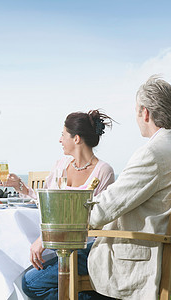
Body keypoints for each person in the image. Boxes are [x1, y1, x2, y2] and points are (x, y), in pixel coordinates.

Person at [22, 75, 171, 299]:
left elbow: (103, 209)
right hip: (152, 245)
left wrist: (51, 234)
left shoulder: (152, 153)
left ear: (145, 113)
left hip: (134, 251)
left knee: (30, 282)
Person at [0, 109, 116, 299]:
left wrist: (45, 238)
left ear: (76, 138)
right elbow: (49, 202)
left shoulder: (103, 171)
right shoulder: (61, 165)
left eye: (63, 134)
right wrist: (19, 186)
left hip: (87, 249)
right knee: (23, 271)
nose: (60, 139)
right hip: (61, 247)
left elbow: (95, 217)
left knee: (30, 283)